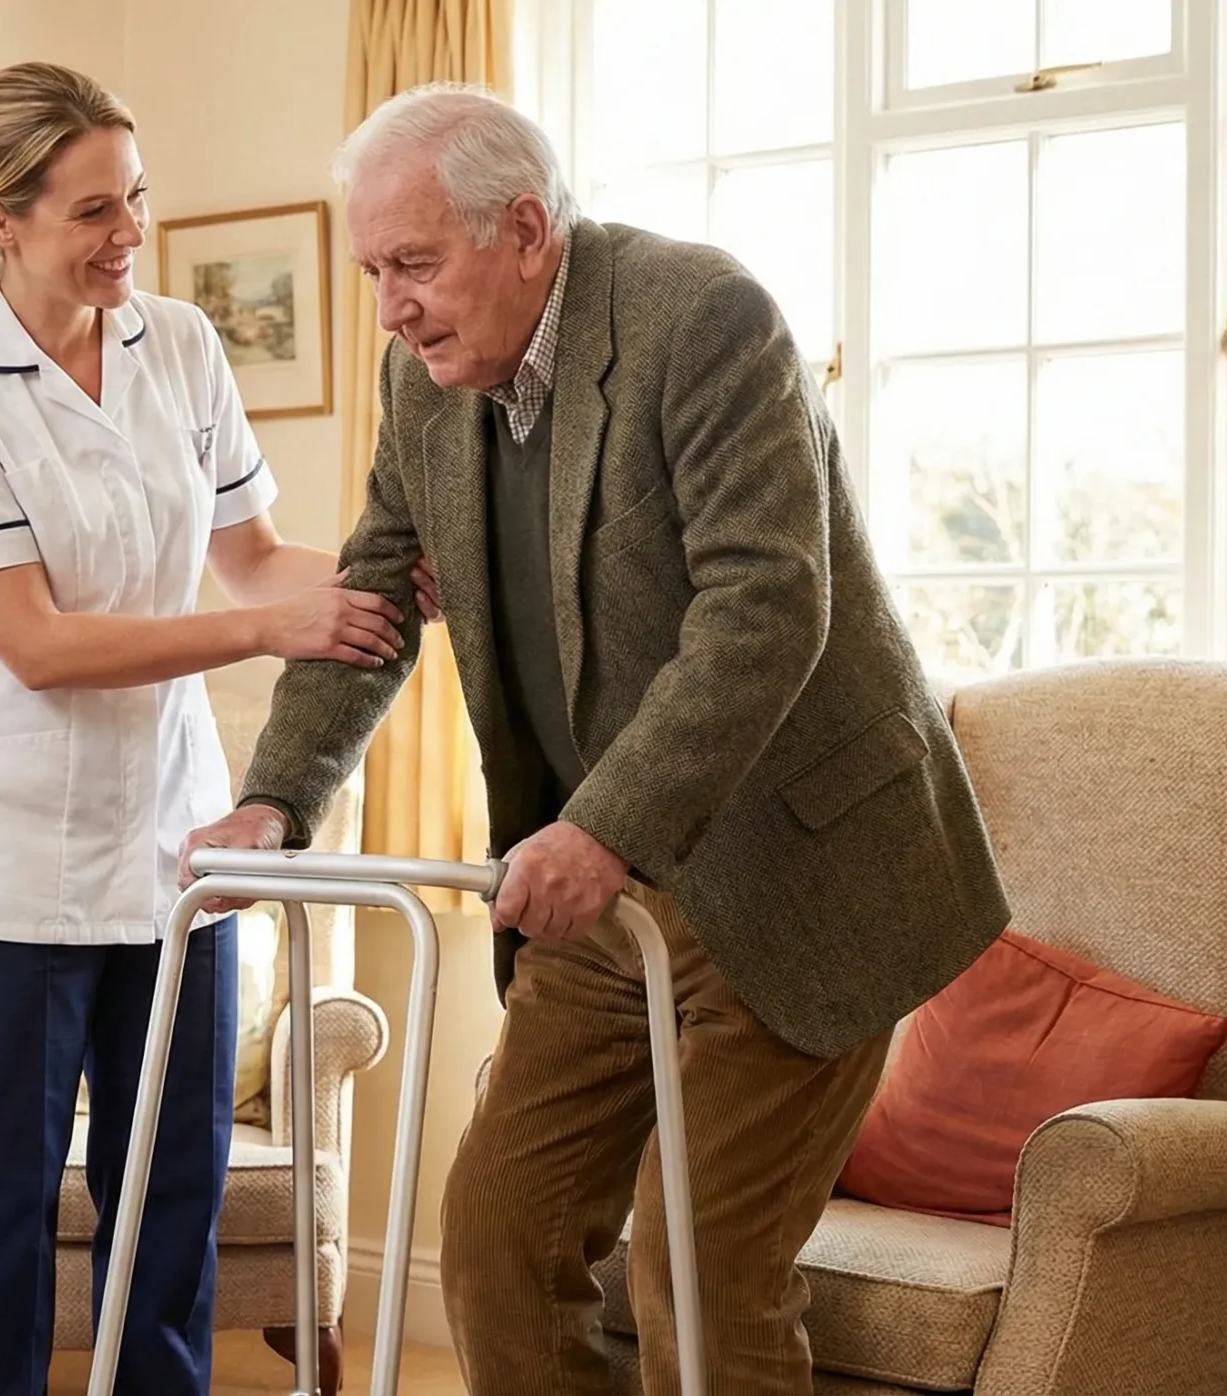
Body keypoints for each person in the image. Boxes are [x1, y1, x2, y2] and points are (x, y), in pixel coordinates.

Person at [181, 85, 1012, 1395]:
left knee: (703, 1261)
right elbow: (373, 601)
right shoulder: (425, 382)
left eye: (413, 263)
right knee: (501, 1233)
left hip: (799, 871)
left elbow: (764, 609)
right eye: (371, 271)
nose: (389, 306)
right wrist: (276, 800)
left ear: (524, 229)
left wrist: (606, 827)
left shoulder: (704, 322)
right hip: (604, 891)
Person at [0, 61, 434, 1395]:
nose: (128, 231)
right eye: (91, 210)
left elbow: (252, 562)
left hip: (178, 844)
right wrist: (269, 633)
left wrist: (420, 570)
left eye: (135, 198)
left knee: (170, 1201)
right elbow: (40, 643)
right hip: (6, 871)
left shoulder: (176, 344)